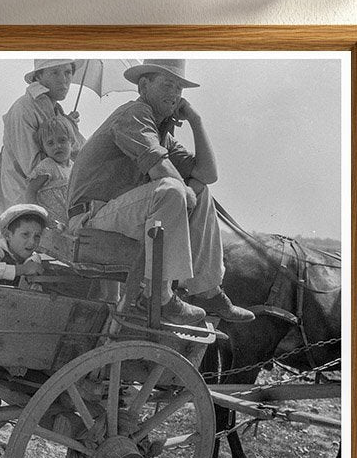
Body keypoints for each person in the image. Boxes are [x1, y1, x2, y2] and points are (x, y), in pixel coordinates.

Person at [65, 59, 254, 326]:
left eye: (179, 88)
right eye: (167, 84)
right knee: (172, 189)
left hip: (115, 218)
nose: (175, 94)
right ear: (144, 85)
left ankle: (208, 291)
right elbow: (161, 171)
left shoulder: (160, 132)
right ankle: (159, 295)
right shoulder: (134, 114)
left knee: (200, 192)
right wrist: (186, 193)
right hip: (90, 219)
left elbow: (208, 175)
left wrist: (196, 121)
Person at [0, 60, 84, 225]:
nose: (63, 80)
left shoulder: (55, 109)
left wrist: (69, 127)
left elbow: (79, 155)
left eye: (68, 72)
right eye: (55, 72)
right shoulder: (24, 108)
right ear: (38, 76)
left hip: (48, 209)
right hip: (23, 208)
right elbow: (34, 167)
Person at [0, 204, 48, 284]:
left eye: (37, 236)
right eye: (25, 234)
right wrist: (23, 269)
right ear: (8, 235)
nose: (32, 241)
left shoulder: (33, 259)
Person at [25, 116, 74, 229]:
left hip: (67, 220)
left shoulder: (73, 167)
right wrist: (36, 215)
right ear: (44, 148)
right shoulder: (48, 165)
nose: (57, 146)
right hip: (49, 222)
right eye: (50, 143)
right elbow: (30, 191)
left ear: (72, 142)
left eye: (62, 140)